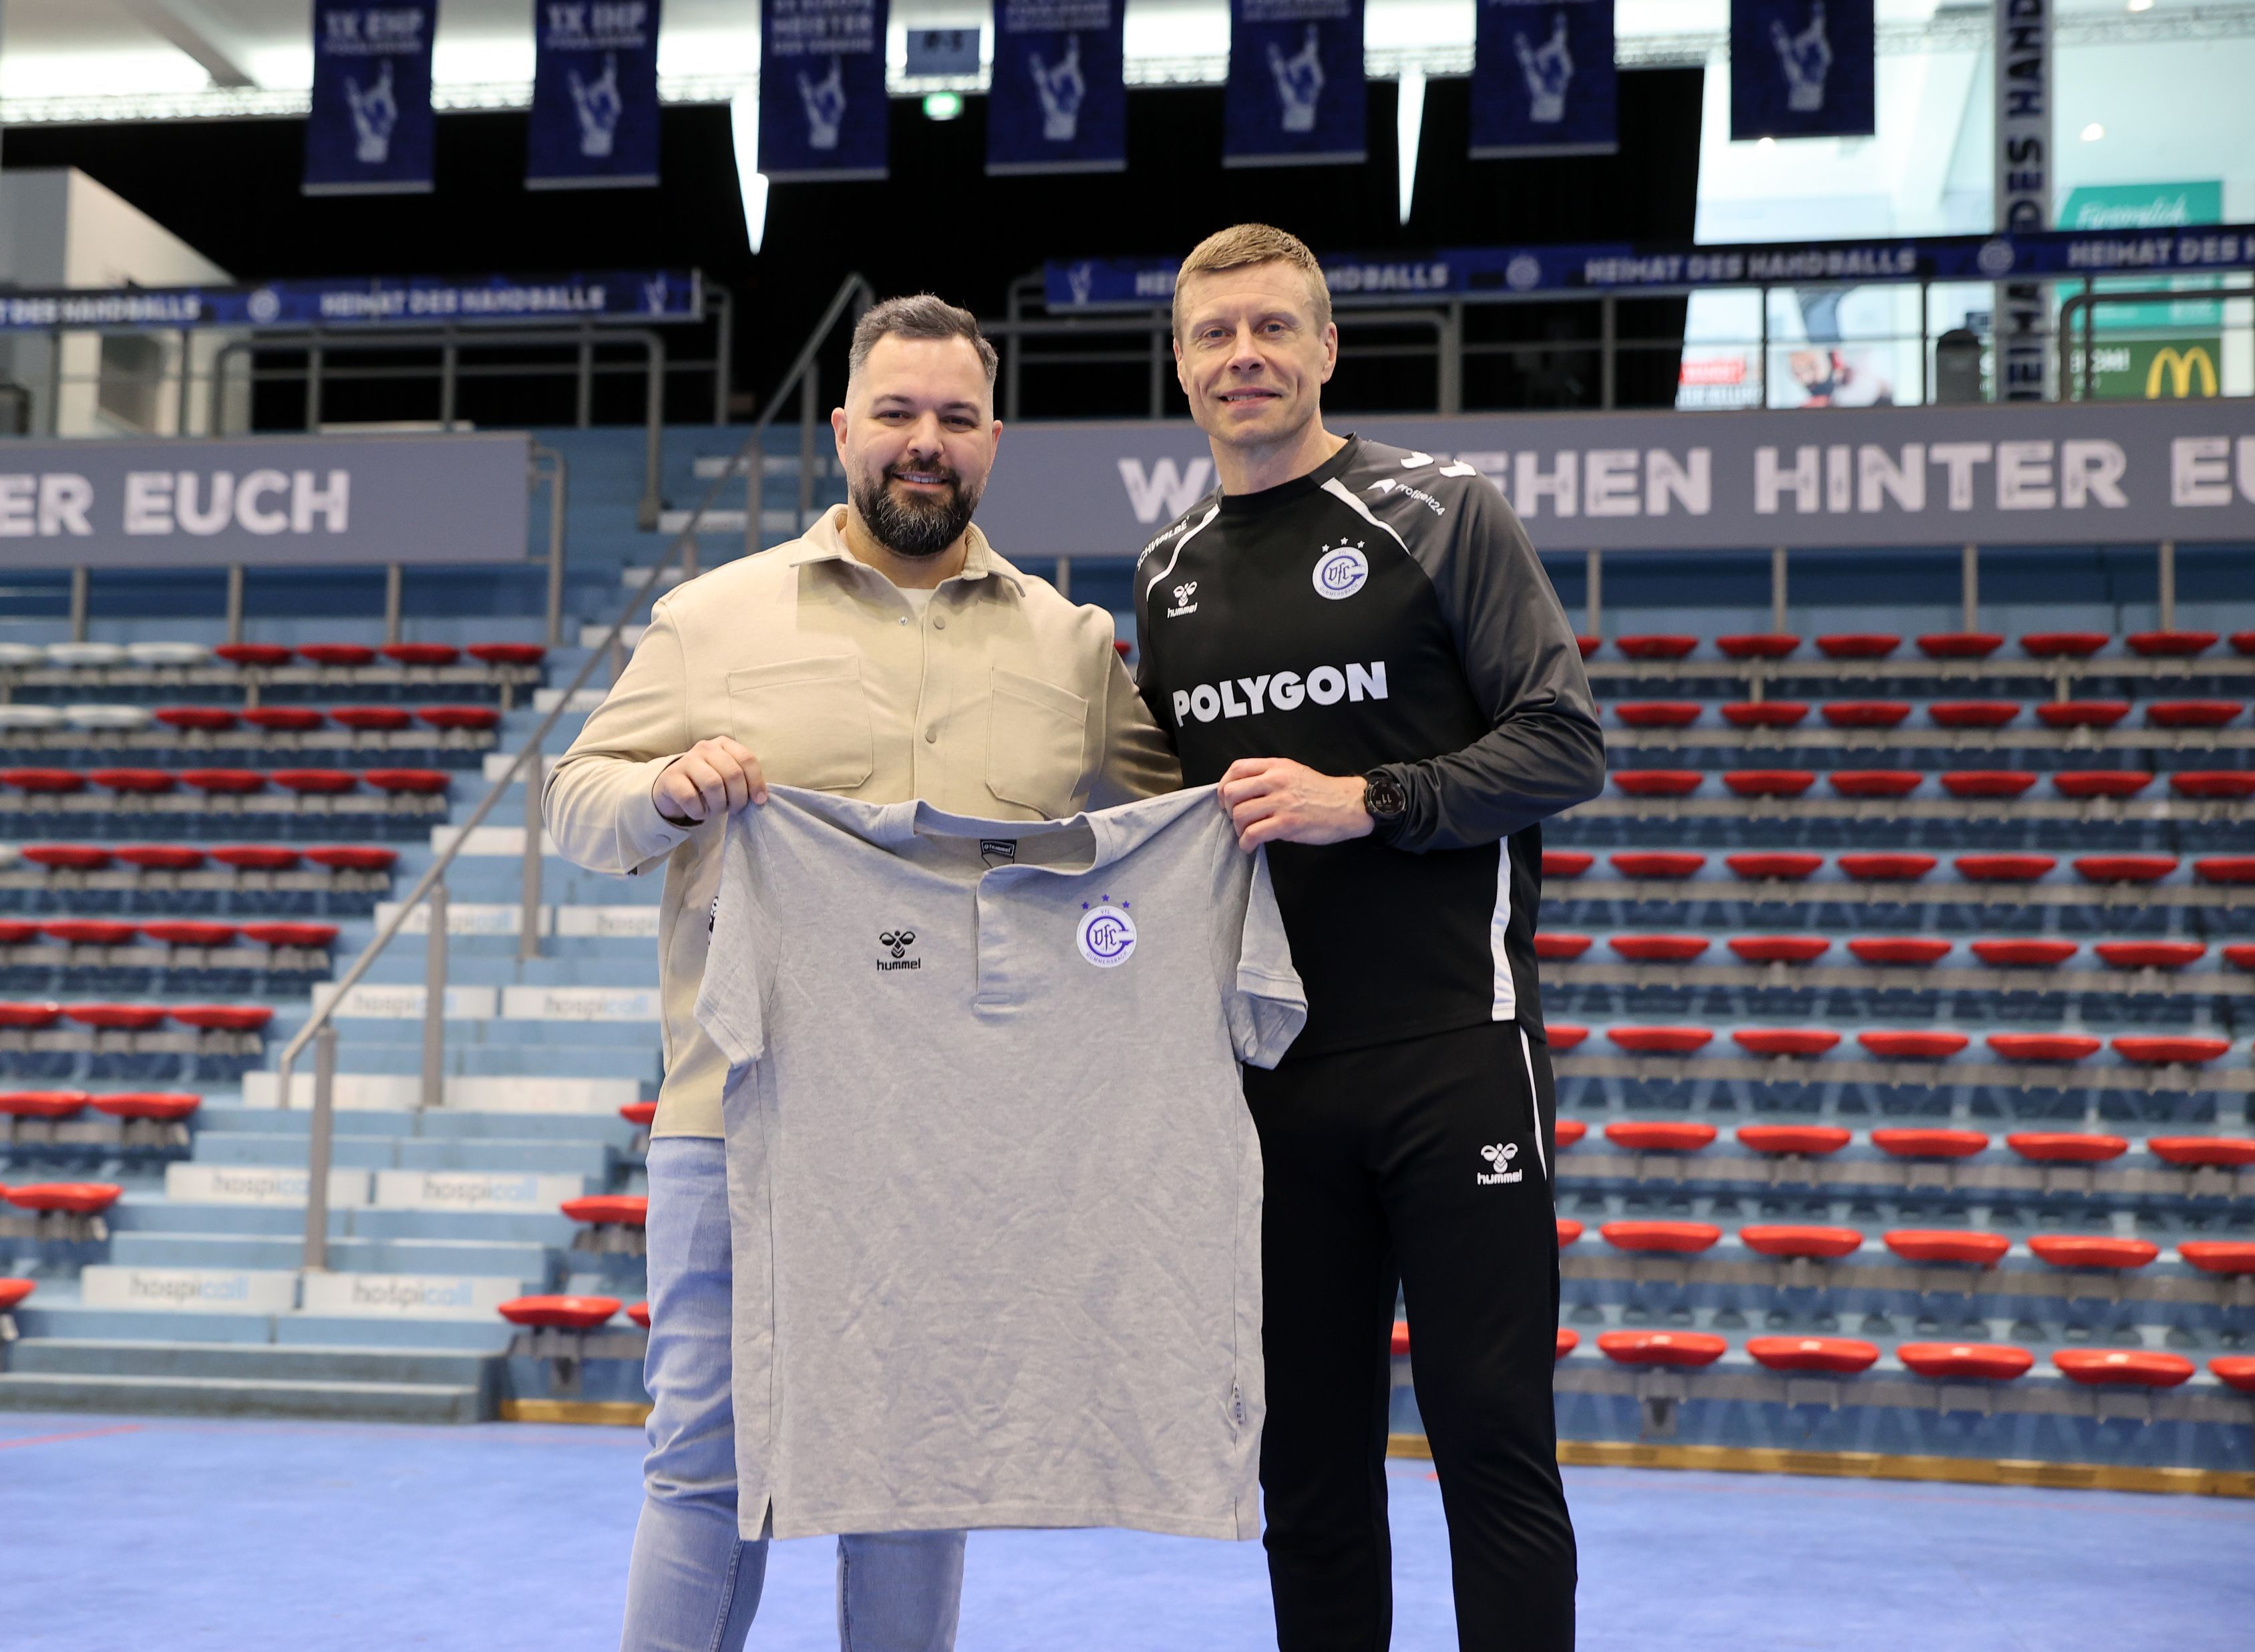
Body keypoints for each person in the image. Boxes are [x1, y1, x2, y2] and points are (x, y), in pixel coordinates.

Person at [545, 293, 1180, 1652]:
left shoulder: (1072, 646)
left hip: (962, 1143)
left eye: (954, 416)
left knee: (919, 1479)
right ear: (842, 430)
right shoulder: (711, 618)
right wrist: (666, 789)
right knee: (705, 1471)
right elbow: (575, 805)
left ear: (994, 440)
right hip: (741, 1121)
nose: (923, 441)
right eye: (895, 412)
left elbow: (1168, 836)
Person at [1130, 224, 1603, 1652]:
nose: (1244, 356)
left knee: (1490, 1444)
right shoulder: (1166, 575)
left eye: (1273, 327)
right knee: (1308, 1471)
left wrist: (1372, 799)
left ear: (1326, 347)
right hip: (1271, 1082)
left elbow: (1563, 741)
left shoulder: (1440, 512)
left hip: (1454, 1051)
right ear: (1181, 365)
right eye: (1215, 335)